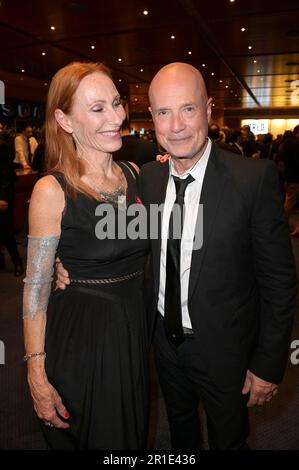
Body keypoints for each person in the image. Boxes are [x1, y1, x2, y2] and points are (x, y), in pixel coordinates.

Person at [57, 62, 296, 450]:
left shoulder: (253, 180)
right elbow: (112, 241)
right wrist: (59, 261)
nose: (177, 126)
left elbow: (279, 283)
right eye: (164, 113)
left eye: (188, 109)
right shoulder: (145, 179)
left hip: (225, 350)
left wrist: (267, 365)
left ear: (208, 109)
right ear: (151, 118)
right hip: (163, 346)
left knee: (229, 439)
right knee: (179, 429)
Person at [23, 61, 150, 450]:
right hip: (82, 336)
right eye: (97, 109)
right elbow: (35, 290)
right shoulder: (52, 189)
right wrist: (36, 374)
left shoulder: (136, 174)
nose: (116, 117)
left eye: (116, 103)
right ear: (64, 119)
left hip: (133, 329)